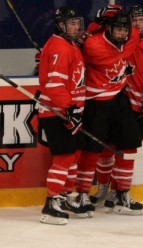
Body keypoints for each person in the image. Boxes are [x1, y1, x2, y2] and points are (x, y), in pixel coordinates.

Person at [89, 5, 143, 213]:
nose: (136, 24)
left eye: (140, 20)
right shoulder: (111, 42)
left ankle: (122, 192)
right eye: (132, 21)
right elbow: (89, 34)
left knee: (127, 151)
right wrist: (100, 18)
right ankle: (103, 188)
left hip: (137, 107)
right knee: (105, 149)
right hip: (111, 102)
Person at [75, 8, 143, 216]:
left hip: (119, 99)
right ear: (108, 29)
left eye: (125, 30)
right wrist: (96, 23)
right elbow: (84, 44)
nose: (123, 34)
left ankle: (122, 192)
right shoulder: (93, 45)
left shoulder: (131, 36)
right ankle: (82, 193)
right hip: (96, 103)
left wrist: (113, 14)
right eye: (118, 30)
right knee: (92, 151)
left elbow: (134, 28)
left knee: (129, 146)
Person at [38, 6, 88, 225]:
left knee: (73, 154)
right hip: (56, 112)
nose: (77, 27)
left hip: (69, 111)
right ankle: (51, 203)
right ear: (61, 25)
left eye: (78, 22)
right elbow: (55, 84)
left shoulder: (69, 44)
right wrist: (69, 109)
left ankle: (66, 197)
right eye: (72, 23)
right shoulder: (60, 47)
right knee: (64, 157)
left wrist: (74, 110)